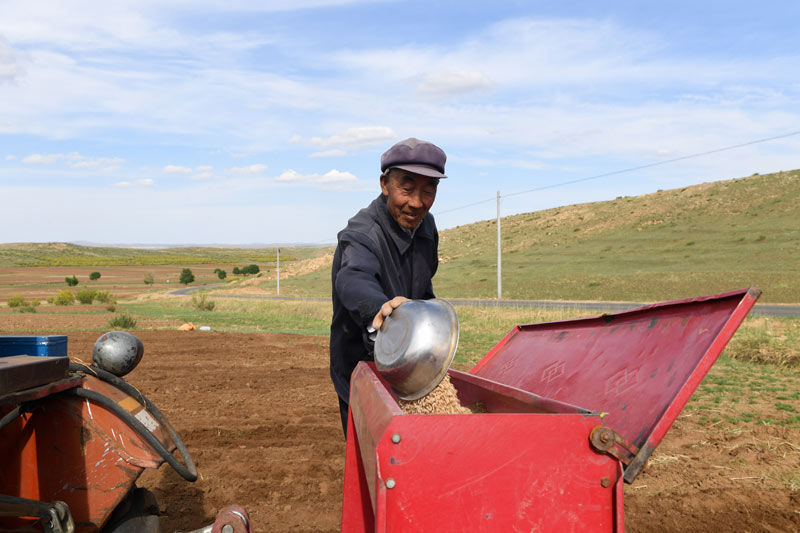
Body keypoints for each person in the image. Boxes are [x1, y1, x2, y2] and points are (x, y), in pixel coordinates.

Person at [329, 137, 447, 436]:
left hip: (408, 365)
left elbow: (423, 283)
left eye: (428, 190)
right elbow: (353, 278)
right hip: (361, 366)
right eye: (406, 188)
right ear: (385, 184)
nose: (417, 202)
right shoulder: (362, 233)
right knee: (371, 461)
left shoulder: (426, 226)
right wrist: (377, 308)